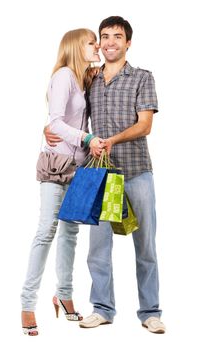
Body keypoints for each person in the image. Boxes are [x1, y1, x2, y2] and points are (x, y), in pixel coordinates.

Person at [45, 16, 165, 334]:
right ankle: (102, 308)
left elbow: (145, 125)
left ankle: (150, 312)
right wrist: (49, 127)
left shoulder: (142, 77)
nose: (110, 42)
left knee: (146, 246)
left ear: (128, 43)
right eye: (104, 36)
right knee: (98, 248)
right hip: (101, 176)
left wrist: (111, 140)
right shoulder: (90, 79)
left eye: (117, 36)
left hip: (137, 171)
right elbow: (69, 114)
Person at [21, 28, 102, 336]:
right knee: (46, 231)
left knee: (70, 234)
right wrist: (88, 138)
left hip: (79, 168)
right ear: (74, 46)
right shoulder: (64, 76)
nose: (97, 46)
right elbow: (54, 121)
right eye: (91, 42)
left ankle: (64, 294)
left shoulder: (85, 78)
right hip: (56, 165)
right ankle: (27, 303)